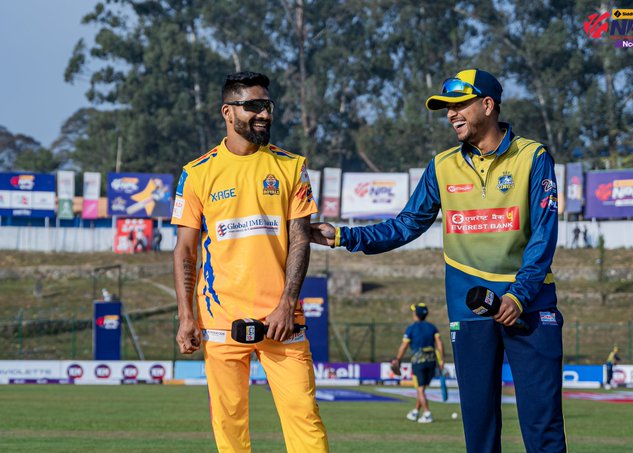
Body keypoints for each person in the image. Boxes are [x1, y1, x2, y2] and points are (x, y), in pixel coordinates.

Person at [311, 69, 566, 452]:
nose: (450, 114)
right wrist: (343, 236)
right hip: (469, 309)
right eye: (447, 108)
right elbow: (406, 225)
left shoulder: (533, 156)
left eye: (459, 104)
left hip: (530, 305)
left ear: (488, 105)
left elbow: (544, 235)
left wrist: (519, 295)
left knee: (542, 427)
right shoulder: (442, 166)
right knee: (479, 432)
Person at [171, 71, 328, 452]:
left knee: (305, 419)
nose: (265, 114)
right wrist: (186, 316)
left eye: (267, 105)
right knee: (229, 426)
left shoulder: (291, 166)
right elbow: (185, 251)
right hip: (220, 321)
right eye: (253, 106)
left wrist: (286, 304)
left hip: (282, 321)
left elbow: (300, 240)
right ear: (228, 112)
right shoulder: (197, 173)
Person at [392, 303, 444, 423]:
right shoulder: (432, 327)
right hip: (431, 361)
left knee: (420, 389)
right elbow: (440, 344)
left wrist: (398, 359)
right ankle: (415, 411)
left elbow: (404, 345)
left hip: (418, 362)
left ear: (415, 314)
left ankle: (427, 413)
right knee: (422, 389)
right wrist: (441, 360)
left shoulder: (411, 328)